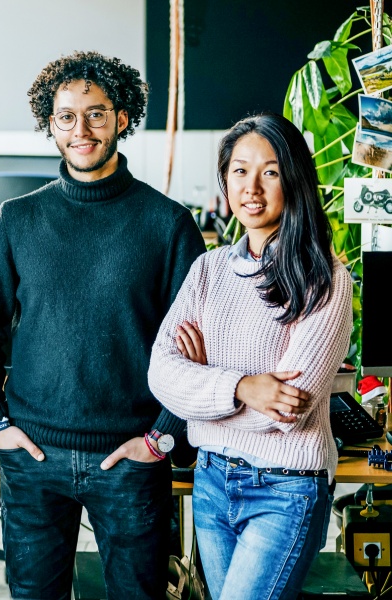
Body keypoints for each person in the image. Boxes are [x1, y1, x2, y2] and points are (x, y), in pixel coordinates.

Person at [0, 50, 206, 598]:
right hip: (33, 456)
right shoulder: (18, 218)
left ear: (122, 118)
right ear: (50, 124)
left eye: (96, 113)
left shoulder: (168, 224)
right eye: (66, 116)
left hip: (132, 458)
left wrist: (163, 435)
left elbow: (202, 349)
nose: (82, 129)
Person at [149, 113, 352, 600]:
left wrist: (203, 381)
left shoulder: (322, 277)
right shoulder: (208, 270)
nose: (252, 188)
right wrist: (243, 386)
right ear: (225, 180)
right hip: (212, 480)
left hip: (285, 491)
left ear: (294, 180)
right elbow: (161, 372)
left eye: (271, 171)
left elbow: (288, 409)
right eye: (239, 171)